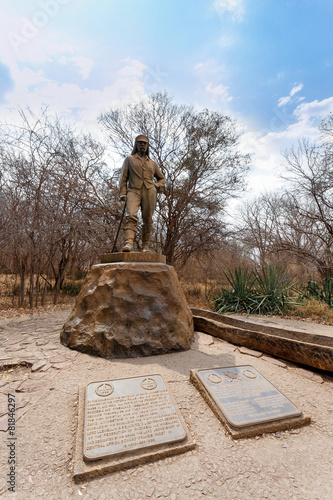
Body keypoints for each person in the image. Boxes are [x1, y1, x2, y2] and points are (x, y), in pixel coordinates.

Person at [119, 134, 165, 252]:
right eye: (140, 143)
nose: (142, 145)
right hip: (133, 190)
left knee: (148, 219)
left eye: (144, 143)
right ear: (136, 144)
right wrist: (123, 193)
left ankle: (145, 246)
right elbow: (123, 178)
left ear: (148, 145)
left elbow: (162, 179)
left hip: (149, 192)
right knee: (131, 216)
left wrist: (156, 185)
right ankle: (128, 243)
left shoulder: (152, 163)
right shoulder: (130, 159)